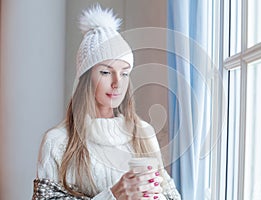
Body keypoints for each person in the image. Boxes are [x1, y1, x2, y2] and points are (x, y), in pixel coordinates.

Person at [32, 4, 181, 200]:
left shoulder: (144, 133)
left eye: (125, 73)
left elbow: (173, 196)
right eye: (105, 72)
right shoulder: (58, 142)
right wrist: (113, 196)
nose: (117, 83)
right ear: (85, 78)